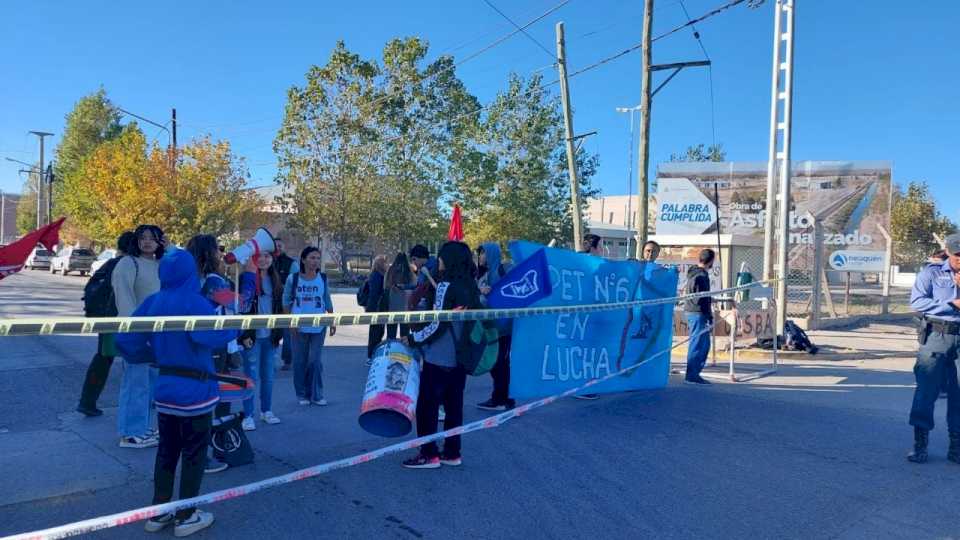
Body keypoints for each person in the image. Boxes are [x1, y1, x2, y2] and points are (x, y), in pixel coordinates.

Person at [116, 249, 238, 538]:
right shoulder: (196, 302)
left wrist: (154, 355)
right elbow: (215, 336)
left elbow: (126, 341)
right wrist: (232, 319)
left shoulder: (153, 302)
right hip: (196, 391)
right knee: (194, 454)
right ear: (190, 272)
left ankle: (159, 512)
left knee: (166, 452)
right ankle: (186, 515)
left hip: (166, 389)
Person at [402, 241, 480, 469]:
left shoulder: (446, 285)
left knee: (428, 405)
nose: (440, 260)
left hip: (439, 355)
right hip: (461, 356)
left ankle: (428, 454)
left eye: (443, 256)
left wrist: (414, 338)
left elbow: (438, 325)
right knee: (454, 406)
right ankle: (452, 452)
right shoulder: (470, 284)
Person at [906, 233, 960, 464]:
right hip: (937, 335)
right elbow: (917, 302)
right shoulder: (932, 273)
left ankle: (956, 448)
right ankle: (920, 445)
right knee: (926, 391)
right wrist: (950, 303)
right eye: (957, 254)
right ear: (948, 251)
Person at [114, 224, 165, 448]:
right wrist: (135, 331)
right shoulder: (128, 263)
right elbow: (124, 298)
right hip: (136, 333)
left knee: (150, 385)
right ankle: (130, 434)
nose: (147, 242)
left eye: (152, 238)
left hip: (157, 333)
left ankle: (142, 427)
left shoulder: (160, 264)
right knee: (135, 384)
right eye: (142, 238)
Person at [76, 231, 136, 417]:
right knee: (136, 362)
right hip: (121, 319)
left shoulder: (110, 263)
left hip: (106, 319)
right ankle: (137, 407)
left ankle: (87, 401)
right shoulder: (129, 265)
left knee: (103, 359)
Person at [283, 246, 336, 406]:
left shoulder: (323, 279)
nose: (315, 261)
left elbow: (327, 300)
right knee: (300, 361)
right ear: (304, 260)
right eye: (312, 258)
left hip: (319, 326)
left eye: (317, 258)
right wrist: (290, 322)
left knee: (315, 360)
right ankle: (302, 394)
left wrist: (332, 320)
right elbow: (286, 301)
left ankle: (317, 394)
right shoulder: (293, 279)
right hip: (298, 326)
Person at [238, 251, 284, 429]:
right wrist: (243, 335)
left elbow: (280, 309)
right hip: (252, 336)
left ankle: (266, 411)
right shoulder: (245, 278)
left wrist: (278, 333)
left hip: (270, 336)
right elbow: (240, 308)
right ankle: (248, 415)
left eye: (267, 256)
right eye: (259, 256)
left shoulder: (276, 279)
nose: (263, 260)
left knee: (268, 376)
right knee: (250, 376)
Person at [475, 243, 516, 412]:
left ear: (491, 254)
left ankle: (503, 399)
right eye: (480, 254)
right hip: (491, 327)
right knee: (496, 363)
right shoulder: (484, 275)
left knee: (500, 363)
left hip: (504, 327)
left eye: (483, 253)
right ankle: (501, 397)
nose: (480, 257)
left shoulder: (504, 269)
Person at [575, 233, 604, 400]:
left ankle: (586, 384)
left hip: (593, 317)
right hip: (583, 318)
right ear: (593, 248)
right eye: (601, 246)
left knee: (591, 351)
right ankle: (583, 387)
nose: (603, 250)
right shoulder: (581, 264)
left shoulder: (601, 265)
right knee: (586, 351)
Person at [683, 248, 715, 385]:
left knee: (704, 344)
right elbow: (701, 298)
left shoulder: (694, 273)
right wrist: (708, 315)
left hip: (695, 312)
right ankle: (692, 375)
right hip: (698, 313)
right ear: (711, 261)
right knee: (698, 344)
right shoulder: (701, 276)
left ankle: (695, 372)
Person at [274, 236, 296, 371]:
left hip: (287, 305)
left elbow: (295, 285)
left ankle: (287, 360)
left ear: (284, 247)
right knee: (272, 333)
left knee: (287, 335)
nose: (278, 247)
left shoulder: (291, 264)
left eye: (280, 245)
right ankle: (270, 360)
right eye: (275, 245)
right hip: (271, 304)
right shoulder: (267, 261)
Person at [385, 252, 417, 340]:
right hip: (405, 301)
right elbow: (415, 284)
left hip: (393, 301)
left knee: (391, 328)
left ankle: (391, 345)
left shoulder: (391, 269)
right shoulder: (409, 271)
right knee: (405, 329)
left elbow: (386, 285)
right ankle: (404, 347)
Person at [365, 255, 388, 364]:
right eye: (385, 263)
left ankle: (373, 354)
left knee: (379, 332)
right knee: (375, 332)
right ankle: (370, 356)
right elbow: (374, 294)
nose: (387, 265)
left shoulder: (379, 275)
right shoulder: (376, 276)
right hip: (376, 308)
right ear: (380, 264)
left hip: (377, 308)